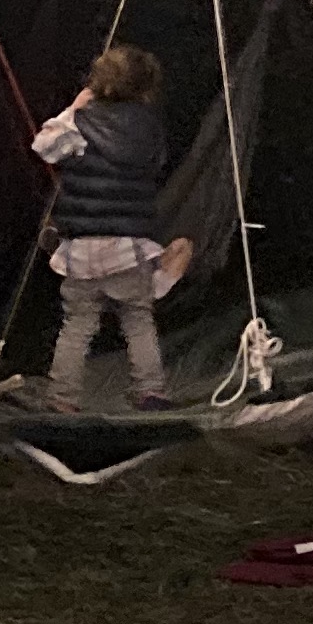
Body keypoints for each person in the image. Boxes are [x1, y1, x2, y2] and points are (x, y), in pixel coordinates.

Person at [32, 44, 190, 410]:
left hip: (83, 246)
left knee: (78, 325)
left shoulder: (80, 123)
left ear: (97, 81)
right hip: (130, 246)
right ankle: (150, 392)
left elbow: (44, 147)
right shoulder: (150, 128)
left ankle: (62, 399)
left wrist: (74, 108)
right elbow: (156, 165)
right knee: (137, 319)